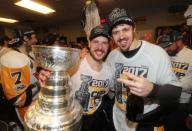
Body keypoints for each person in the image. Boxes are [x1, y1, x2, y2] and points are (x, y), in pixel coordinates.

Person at [106, 8, 182, 131]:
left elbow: (176, 92)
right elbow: (111, 90)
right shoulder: (112, 55)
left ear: (134, 28)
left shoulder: (156, 53)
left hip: (145, 122)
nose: (121, 36)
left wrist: (152, 90)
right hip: (118, 120)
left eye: (125, 29)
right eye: (115, 32)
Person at [71, 25, 115, 131]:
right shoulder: (75, 64)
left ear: (109, 46)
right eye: (96, 42)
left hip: (96, 120)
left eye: (104, 43)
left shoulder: (109, 70)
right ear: (89, 43)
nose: (100, 47)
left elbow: (112, 92)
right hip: (73, 119)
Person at [0, 28, 40, 130]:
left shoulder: (29, 54)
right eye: (34, 37)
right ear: (25, 38)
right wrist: (40, 85)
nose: (36, 40)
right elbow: (18, 99)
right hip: (22, 110)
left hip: (34, 104)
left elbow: (32, 76)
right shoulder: (11, 58)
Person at [158, 31, 192, 131]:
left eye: (169, 45)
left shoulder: (190, 56)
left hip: (182, 104)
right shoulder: (167, 54)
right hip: (164, 101)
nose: (167, 48)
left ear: (179, 41)